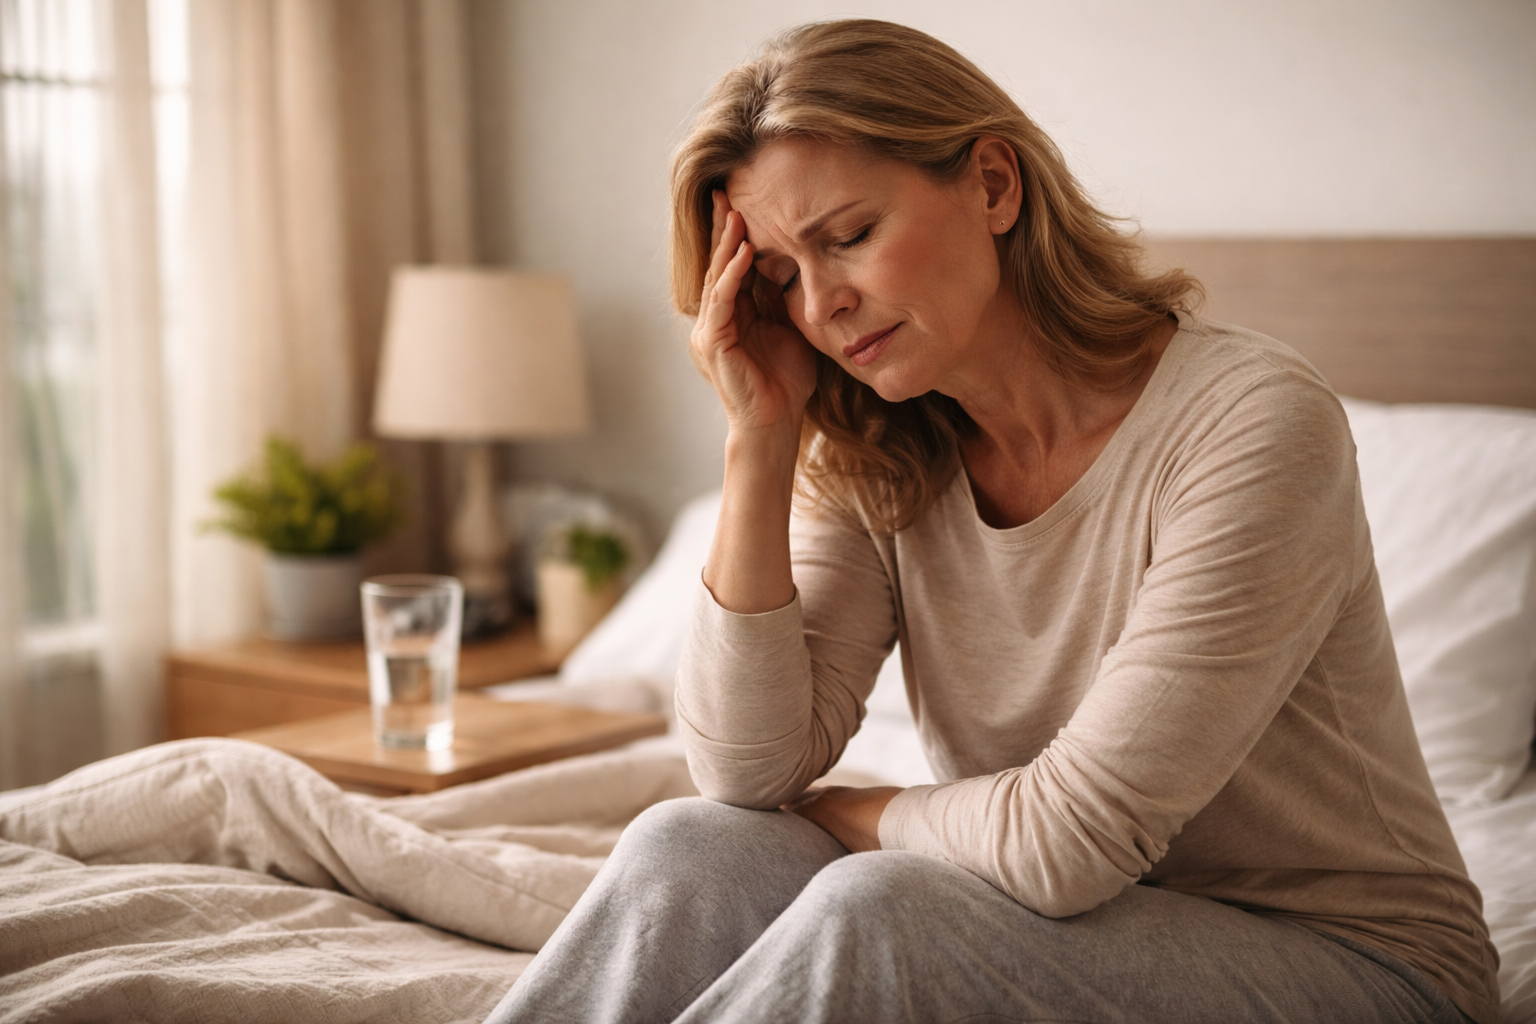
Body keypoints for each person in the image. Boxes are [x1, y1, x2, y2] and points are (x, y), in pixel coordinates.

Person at [484, 19, 1497, 1024]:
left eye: (850, 237)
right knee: (688, 842)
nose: (823, 306)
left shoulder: (1254, 421)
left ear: (995, 185)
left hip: (1359, 963)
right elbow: (747, 771)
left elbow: (1069, 841)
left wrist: (863, 815)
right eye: (784, 276)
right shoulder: (879, 449)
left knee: (886, 905)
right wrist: (761, 435)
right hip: (1048, 918)